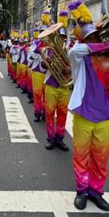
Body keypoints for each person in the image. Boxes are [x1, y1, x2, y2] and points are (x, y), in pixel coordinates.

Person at [67, 0, 109, 212]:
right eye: (90, 36)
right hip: (84, 112)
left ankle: (96, 191)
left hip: (106, 114)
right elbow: (78, 50)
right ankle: (81, 190)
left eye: (96, 36)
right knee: (81, 155)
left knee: (101, 159)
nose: (94, 39)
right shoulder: (78, 55)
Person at [42, 12, 70, 152]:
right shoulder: (49, 50)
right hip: (52, 84)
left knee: (63, 113)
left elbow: (76, 68)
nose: (61, 39)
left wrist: (69, 69)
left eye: (63, 37)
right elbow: (42, 66)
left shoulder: (70, 49)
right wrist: (48, 63)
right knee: (49, 113)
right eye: (59, 36)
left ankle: (60, 138)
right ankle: (50, 138)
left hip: (64, 85)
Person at [30, 26, 47, 122]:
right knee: (37, 94)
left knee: (46, 95)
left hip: (48, 73)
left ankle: (45, 113)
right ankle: (37, 113)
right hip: (37, 71)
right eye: (42, 32)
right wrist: (39, 48)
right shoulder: (35, 43)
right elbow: (32, 55)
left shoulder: (51, 44)